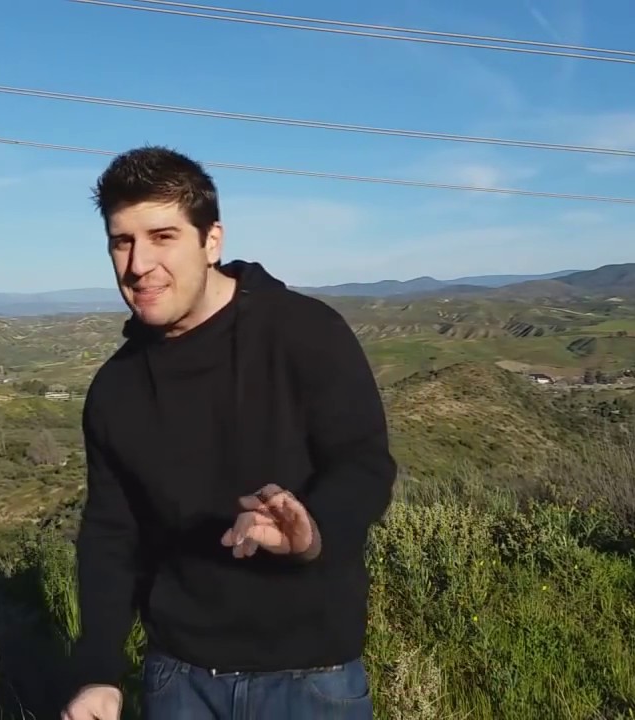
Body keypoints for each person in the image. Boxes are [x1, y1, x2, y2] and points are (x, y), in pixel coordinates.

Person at [60, 145, 397, 720]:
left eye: (162, 236)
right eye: (122, 241)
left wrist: (312, 532)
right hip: (178, 679)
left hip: (310, 678)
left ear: (211, 241)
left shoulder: (304, 332)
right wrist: (98, 672)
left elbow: (363, 465)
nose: (138, 264)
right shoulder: (115, 389)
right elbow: (111, 536)